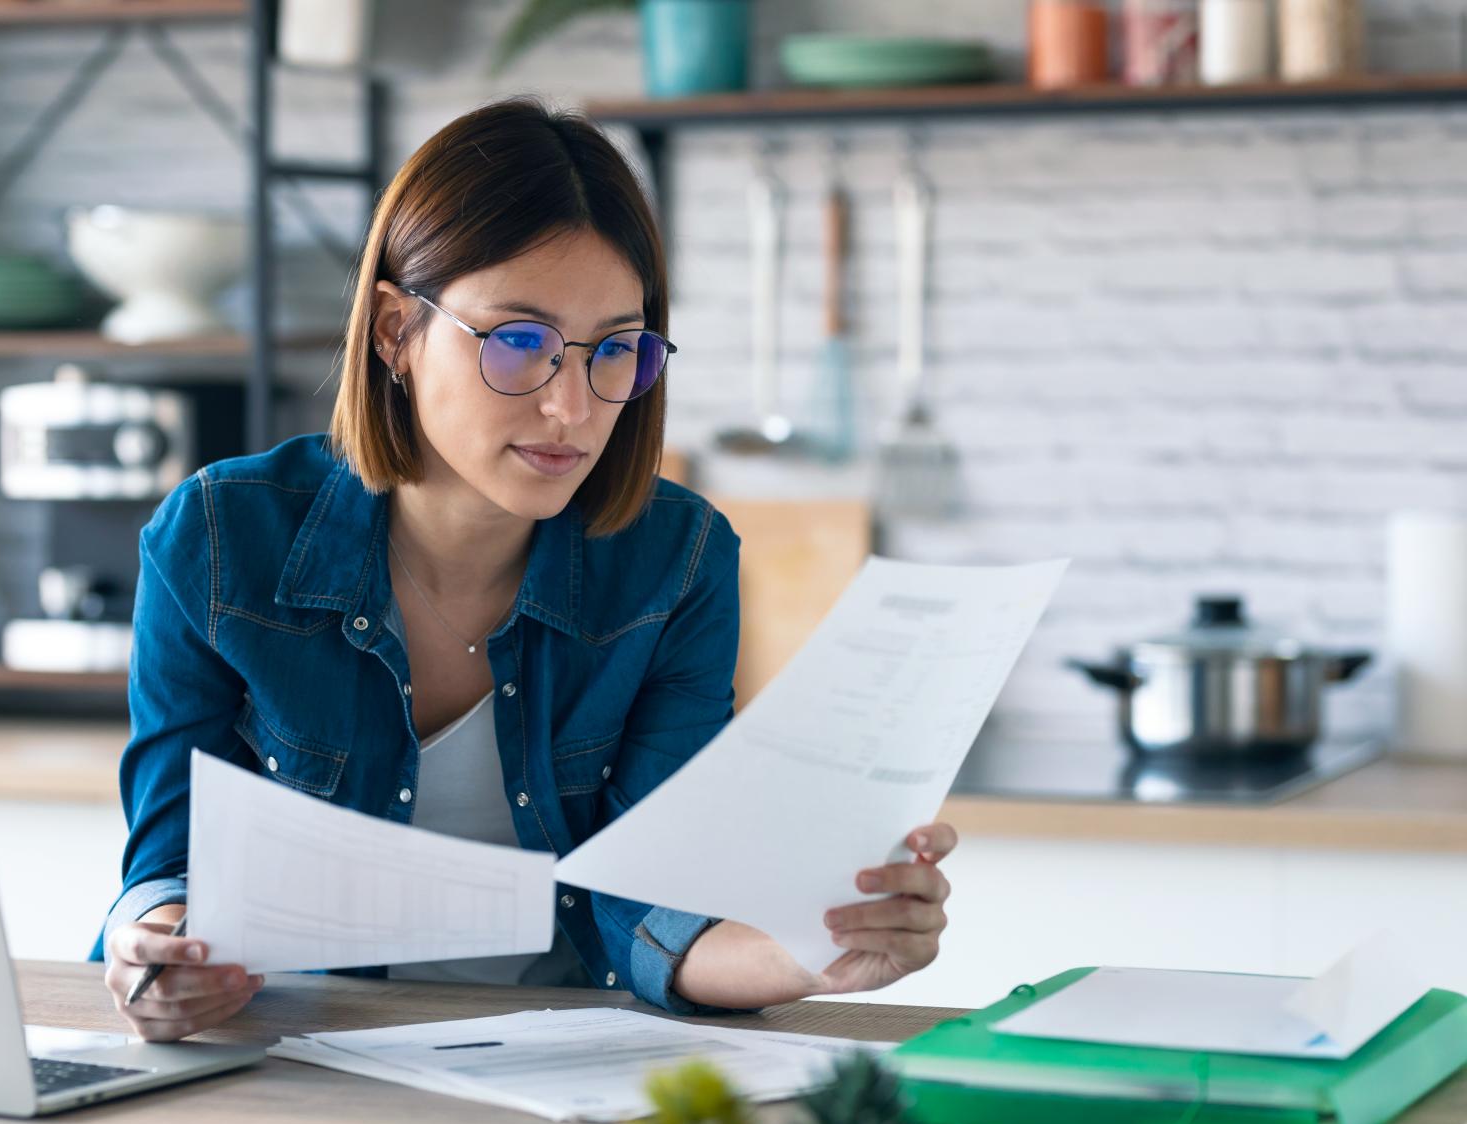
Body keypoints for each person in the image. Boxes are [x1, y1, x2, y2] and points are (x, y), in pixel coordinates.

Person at [91, 98, 957, 1042]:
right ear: (393, 331)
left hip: (563, 1059)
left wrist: (813, 951)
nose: (572, 408)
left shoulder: (678, 560)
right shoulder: (220, 539)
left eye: (616, 351)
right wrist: (160, 954)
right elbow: (168, 869)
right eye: (518, 342)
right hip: (299, 1054)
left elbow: (654, 910)